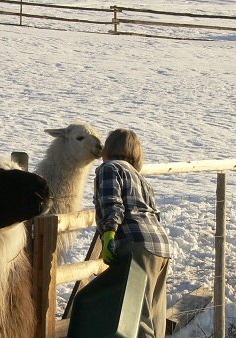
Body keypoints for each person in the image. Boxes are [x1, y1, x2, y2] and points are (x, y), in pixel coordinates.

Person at [93, 128, 171, 338]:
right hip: (161, 247)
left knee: (136, 316)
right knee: (154, 316)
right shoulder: (142, 179)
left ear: (108, 149)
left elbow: (112, 202)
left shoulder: (109, 168)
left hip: (137, 245)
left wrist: (109, 232)